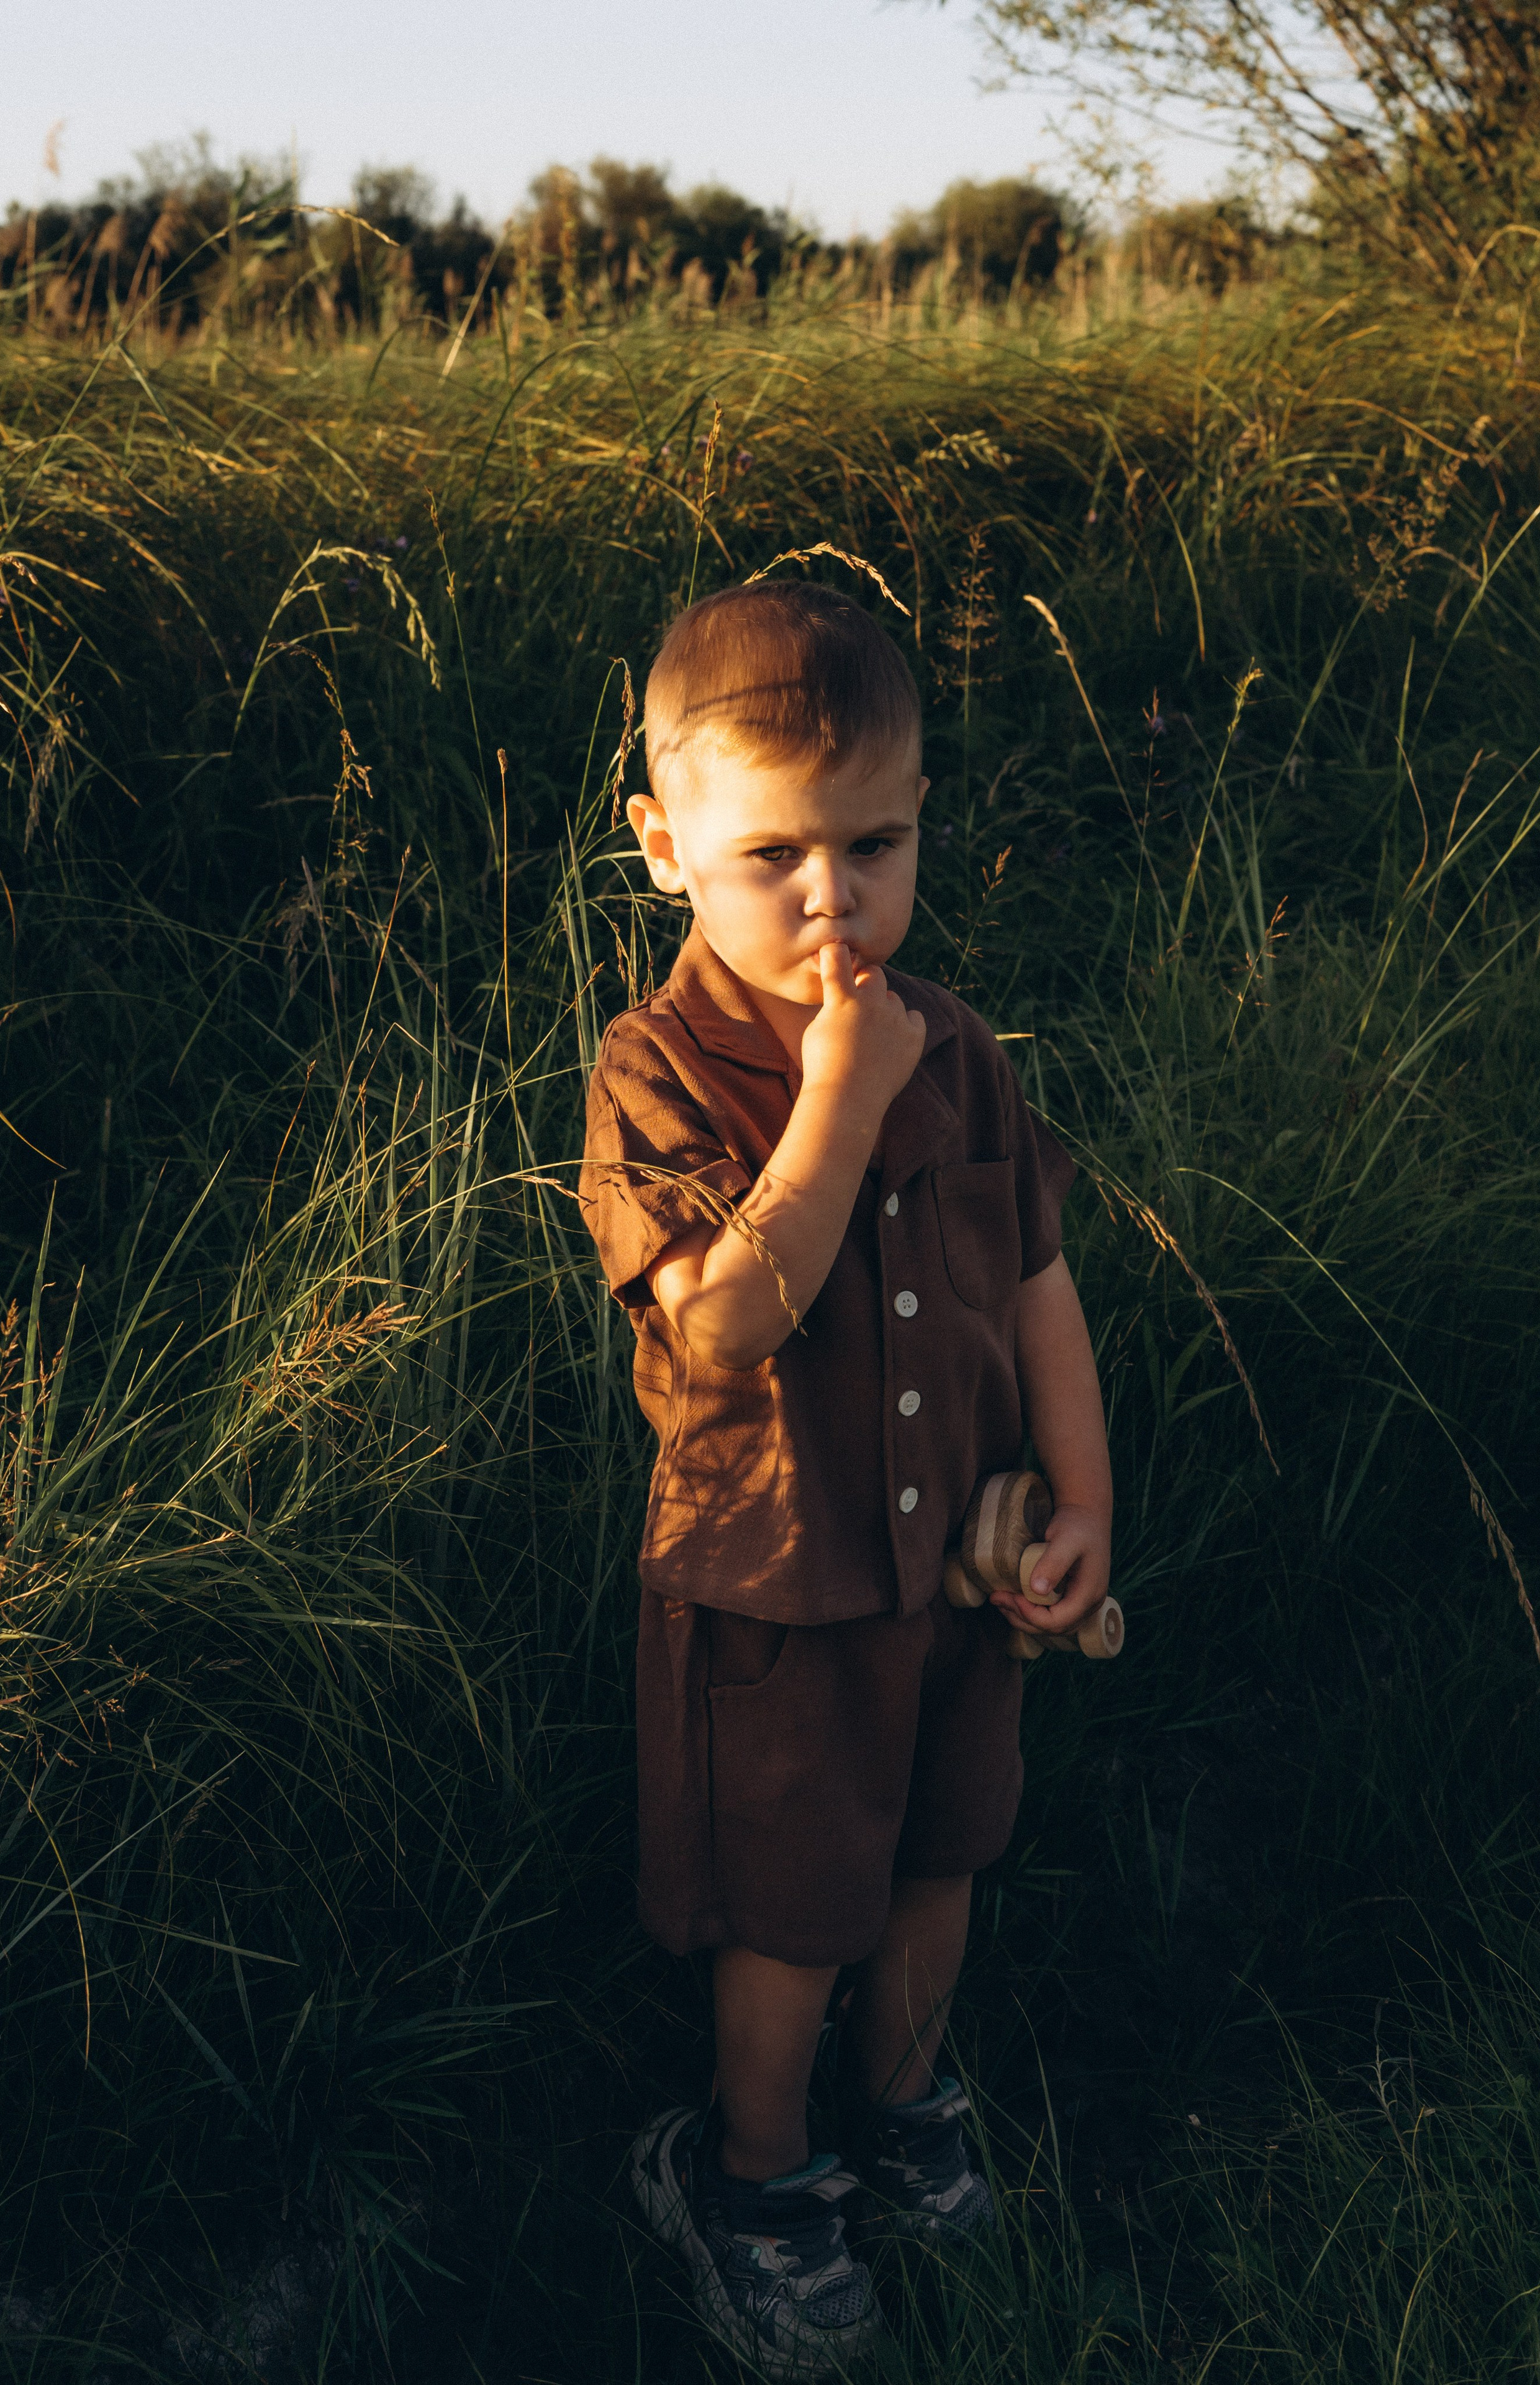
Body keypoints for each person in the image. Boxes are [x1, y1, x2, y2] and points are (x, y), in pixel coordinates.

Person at [579, 581, 1113, 2378]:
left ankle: (902, 2114)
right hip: (779, 1597)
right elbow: (726, 1324)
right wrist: (836, 1099)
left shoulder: (953, 1048)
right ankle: (756, 2177)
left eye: (873, 845)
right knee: (796, 1903)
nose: (833, 901)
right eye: (774, 857)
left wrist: (1079, 1498)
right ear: (666, 848)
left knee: (944, 1850)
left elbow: (1037, 1282)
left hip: (957, 1576)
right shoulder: (657, 1072)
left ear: (918, 822)